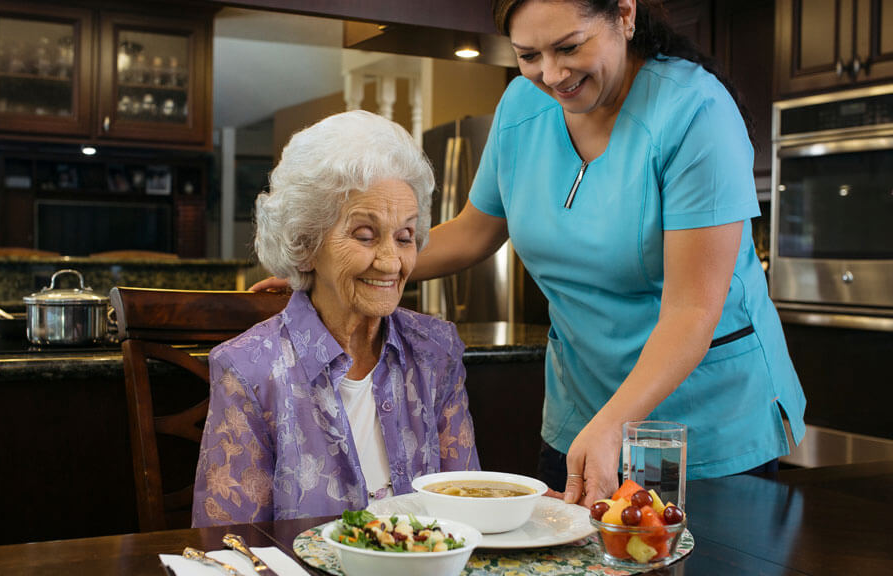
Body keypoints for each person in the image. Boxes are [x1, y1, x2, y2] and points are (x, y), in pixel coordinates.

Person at [253, 0, 805, 509]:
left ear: (625, 15)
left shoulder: (695, 112)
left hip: (700, 421)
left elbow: (692, 310)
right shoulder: (524, 106)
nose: (552, 74)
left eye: (570, 47)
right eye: (529, 55)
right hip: (581, 409)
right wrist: (337, 273)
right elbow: (473, 232)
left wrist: (615, 422)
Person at [192, 110, 479, 527]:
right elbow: (230, 546)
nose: (390, 261)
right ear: (306, 243)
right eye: (364, 236)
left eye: (405, 237)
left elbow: (468, 513)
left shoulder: (436, 351)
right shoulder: (249, 369)